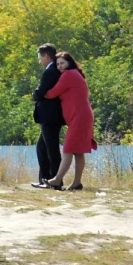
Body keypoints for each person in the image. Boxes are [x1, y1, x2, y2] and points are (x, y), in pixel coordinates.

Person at [44, 52, 97, 191]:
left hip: (79, 118)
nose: (60, 66)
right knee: (78, 151)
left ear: (69, 63)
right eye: (58, 64)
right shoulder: (75, 74)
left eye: (62, 63)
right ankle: (76, 183)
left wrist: (41, 91)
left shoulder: (69, 75)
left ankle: (56, 180)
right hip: (81, 116)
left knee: (68, 149)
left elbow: (52, 93)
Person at [31, 44, 65, 190]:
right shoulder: (54, 70)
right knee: (42, 148)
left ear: (46, 56)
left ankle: (55, 182)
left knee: (51, 150)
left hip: (50, 117)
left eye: (40, 58)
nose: (39, 61)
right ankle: (45, 179)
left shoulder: (50, 71)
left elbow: (41, 91)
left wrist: (35, 95)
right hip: (51, 117)